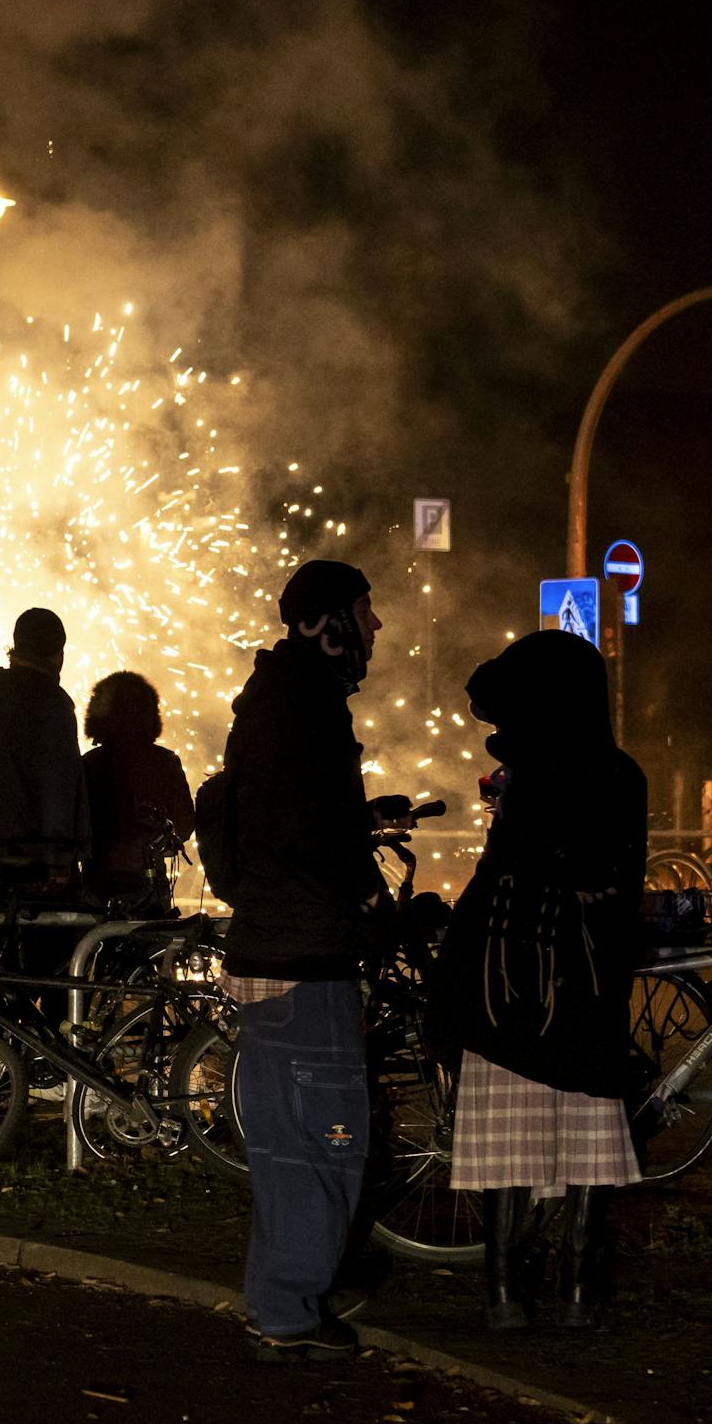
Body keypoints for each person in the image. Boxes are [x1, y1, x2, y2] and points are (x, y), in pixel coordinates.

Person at [436, 628, 647, 1331]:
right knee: (589, 1129)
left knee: (505, 1138)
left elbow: (503, 875)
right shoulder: (620, 775)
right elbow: (617, 882)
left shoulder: (531, 778)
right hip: (586, 988)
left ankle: (503, 1294)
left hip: (507, 986)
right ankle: (579, 1290)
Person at [219, 560, 388, 1363]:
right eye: (364, 610)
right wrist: (362, 895)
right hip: (303, 951)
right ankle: (289, 1310)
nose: (375, 626)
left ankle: (297, 1287)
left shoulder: (272, 698)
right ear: (325, 623)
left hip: (275, 942)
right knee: (321, 1139)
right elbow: (309, 829)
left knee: (296, 1141)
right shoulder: (304, 706)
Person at [0, 608, 89, 874]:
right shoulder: (54, 702)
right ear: (58, 652)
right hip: (36, 858)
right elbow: (59, 784)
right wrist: (62, 857)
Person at [81, 672, 194, 911]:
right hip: (149, 883)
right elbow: (184, 825)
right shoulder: (164, 762)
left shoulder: (88, 765)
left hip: (97, 884)